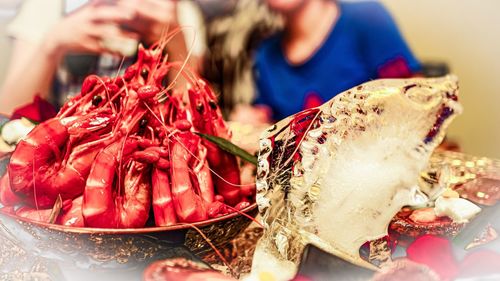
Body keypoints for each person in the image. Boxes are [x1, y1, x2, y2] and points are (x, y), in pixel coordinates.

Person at [0, 0, 205, 116]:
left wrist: (176, 40)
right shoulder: (48, 5)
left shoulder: (179, 12)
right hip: (60, 152)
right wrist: (53, 45)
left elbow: (197, 117)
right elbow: (8, 112)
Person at [249, 0, 421, 121]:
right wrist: (250, 121)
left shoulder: (368, 18)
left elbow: (416, 101)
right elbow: (268, 122)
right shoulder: (266, 54)